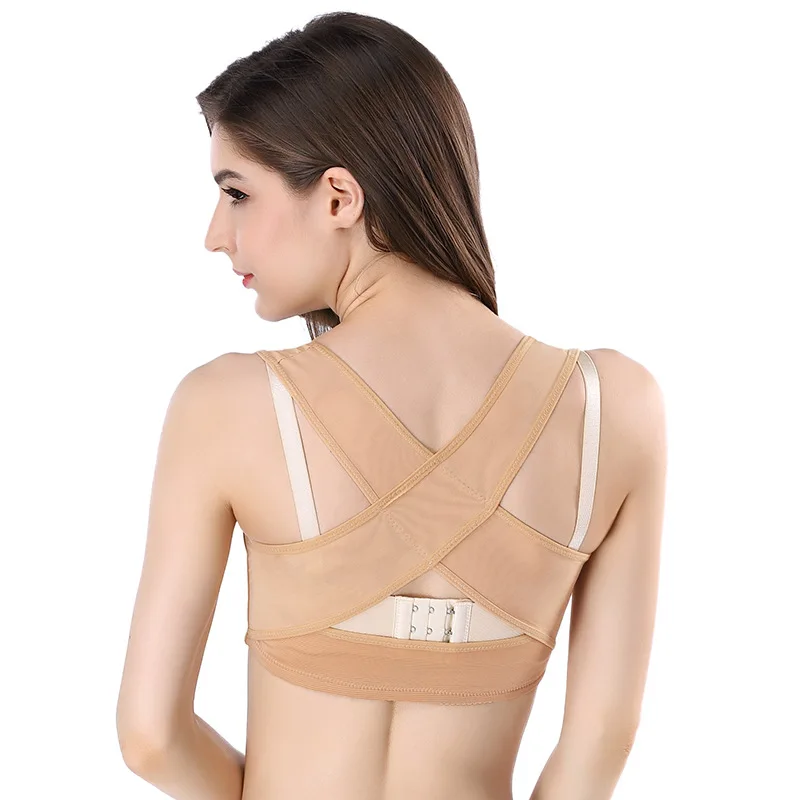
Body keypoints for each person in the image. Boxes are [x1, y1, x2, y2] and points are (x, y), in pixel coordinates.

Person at [115, 11, 667, 800]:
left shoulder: (227, 406)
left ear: (338, 196)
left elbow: (151, 737)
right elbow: (603, 737)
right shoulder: (616, 408)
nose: (215, 234)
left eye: (236, 193)